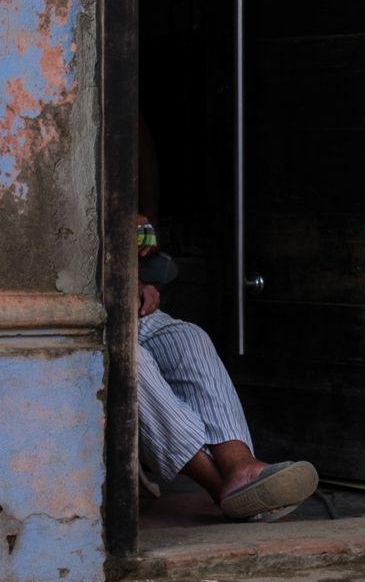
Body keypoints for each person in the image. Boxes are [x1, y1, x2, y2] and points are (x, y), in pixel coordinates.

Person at [136, 218, 319, 521]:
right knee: (132, 360)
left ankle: (240, 465)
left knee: (190, 338)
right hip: (97, 319)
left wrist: (140, 281)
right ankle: (222, 486)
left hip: (132, 310)